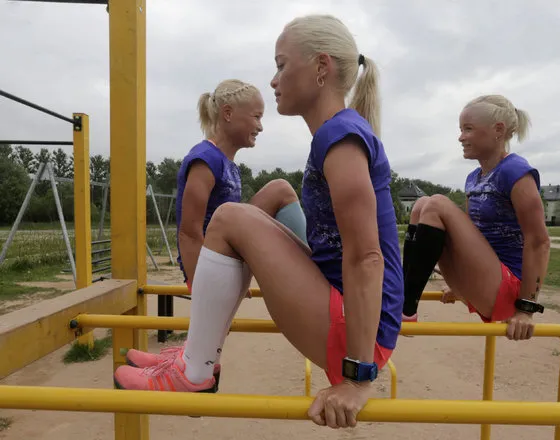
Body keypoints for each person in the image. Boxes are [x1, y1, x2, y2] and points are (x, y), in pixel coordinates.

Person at [114, 14, 403, 429]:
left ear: (321, 67)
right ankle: (197, 354)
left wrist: (357, 378)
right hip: (354, 322)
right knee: (277, 191)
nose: (274, 79)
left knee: (231, 217)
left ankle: (194, 372)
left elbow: (367, 258)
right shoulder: (337, 132)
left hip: (360, 337)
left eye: (282, 65)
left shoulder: (339, 135)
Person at [124, 79, 309, 373]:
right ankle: (312, 269)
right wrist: (204, 286)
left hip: (223, 259)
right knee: (280, 189)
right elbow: (189, 230)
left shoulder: (226, 163)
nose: (261, 126)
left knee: (280, 190)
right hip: (208, 264)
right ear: (227, 113)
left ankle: (186, 360)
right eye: (257, 117)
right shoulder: (205, 159)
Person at [401, 94, 550, 341]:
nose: (461, 137)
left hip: (509, 290)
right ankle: (404, 298)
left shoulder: (515, 172)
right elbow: (473, 238)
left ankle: (405, 308)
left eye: (468, 129)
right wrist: (462, 284)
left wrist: (526, 309)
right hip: (485, 281)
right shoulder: (474, 178)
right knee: (421, 205)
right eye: (460, 129)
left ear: (498, 130)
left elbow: (539, 241)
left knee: (436, 204)